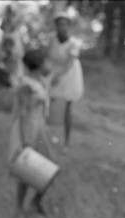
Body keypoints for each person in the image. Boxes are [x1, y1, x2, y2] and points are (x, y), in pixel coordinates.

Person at [8, 48, 54, 218]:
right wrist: (26, 140)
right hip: (29, 131)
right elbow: (23, 112)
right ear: (40, 65)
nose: (50, 65)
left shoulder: (39, 83)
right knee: (26, 172)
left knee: (49, 169)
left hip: (39, 129)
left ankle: (36, 201)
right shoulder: (27, 85)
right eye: (47, 62)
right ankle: (19, 209)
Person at [47, 12, 84, 147]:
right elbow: (49, 56)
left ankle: (66, 142)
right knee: (48, 103)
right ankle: (46, 135)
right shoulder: (52, 39)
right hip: (55, 70)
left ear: (68, 26)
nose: (61, 27)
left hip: (69, 75)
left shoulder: (74, 43)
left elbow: (69, 63)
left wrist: (58, 76)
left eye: (64, 24)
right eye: (58, 24)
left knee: (68, 107)